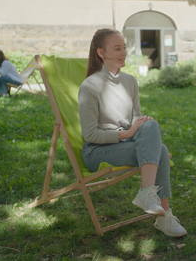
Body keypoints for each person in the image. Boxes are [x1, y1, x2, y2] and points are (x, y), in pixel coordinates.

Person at [78, 28, 187, 237]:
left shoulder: (129, 81)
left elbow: (135, 115)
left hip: (124, 143)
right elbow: (90, 134)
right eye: (117, 48)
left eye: (124, 48)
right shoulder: (89, 86)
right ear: (101, 53)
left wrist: (141, 122)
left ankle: (148, 194)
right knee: (161, 151)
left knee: (151, 125)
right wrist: (126, 135)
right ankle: (163, 215)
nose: (123, 53)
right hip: (97, 151)